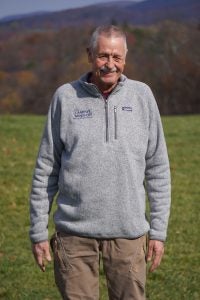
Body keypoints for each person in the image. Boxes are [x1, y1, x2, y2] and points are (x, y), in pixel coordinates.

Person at [29, 25, 171, 300]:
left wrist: (158, 232)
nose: (110, 64)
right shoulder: (65, 98)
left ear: (125, 58)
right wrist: (37, 232)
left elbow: (158, 170)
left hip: (129, 236)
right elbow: (46, 170)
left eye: (117, 57)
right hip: (74, 237)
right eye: (103, 55)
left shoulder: (142, 97)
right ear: (90, 55)